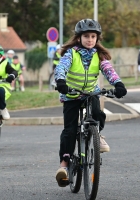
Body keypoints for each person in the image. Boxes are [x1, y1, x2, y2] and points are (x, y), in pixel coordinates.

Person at [54, 19, 127, 187]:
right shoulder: (71, 53)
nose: (90, 39)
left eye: (93, 36)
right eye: (86, 36)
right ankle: (64, 165)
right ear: (79, 38)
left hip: (90, 93)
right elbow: (61, 68)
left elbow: (109, 71)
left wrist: (118, 84)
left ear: (97, 38)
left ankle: (96, 135)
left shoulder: (98, 55)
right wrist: (61, 82)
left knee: (97, 113)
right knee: (69, 129)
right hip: (71, 95)